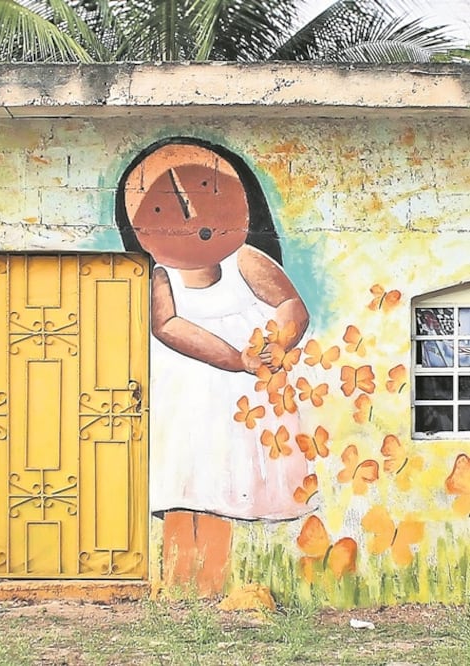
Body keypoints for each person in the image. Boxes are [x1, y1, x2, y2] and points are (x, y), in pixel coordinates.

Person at [115, 138, 311, 596]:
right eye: (161, 210)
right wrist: (233, 357)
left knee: (223, 489)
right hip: (187, 400)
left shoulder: (245, 259)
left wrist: (274, 346)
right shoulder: (160, 276)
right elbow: (168, 326)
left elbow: (290, 304)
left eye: (209, 193)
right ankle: (179, 587)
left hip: (237, 406)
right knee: (183, 490)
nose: (189, 215)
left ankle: (211, 586)